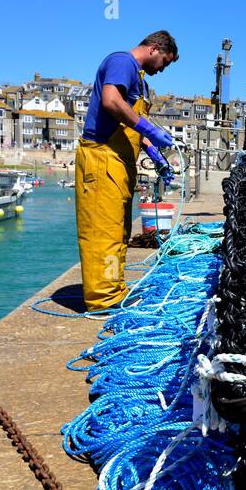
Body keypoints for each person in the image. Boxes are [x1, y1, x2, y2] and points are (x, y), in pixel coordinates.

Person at [75, 31, 178, 310]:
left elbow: (127, 124)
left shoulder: (138, 78)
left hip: (118, 161)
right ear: (154, 49)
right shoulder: (123, 62)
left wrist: (154, 151)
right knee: (102, 230)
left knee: (118, 230)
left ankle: (114, 290)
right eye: (164, 62)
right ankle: (103, 301)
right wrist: (149, 128)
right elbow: (111, 102)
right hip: (102, 157)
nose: (162, 69)